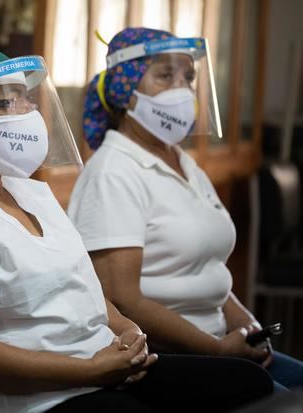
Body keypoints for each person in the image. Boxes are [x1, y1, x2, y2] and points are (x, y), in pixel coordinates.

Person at [0, 42, 273, 413]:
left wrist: (126, 330)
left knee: (249, 384)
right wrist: (91, 370)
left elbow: (82, 285)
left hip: (101, 369)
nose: (29, 112)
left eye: (27, 98)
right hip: (37, 399)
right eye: (9, 101)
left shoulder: (29, 193)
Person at [68, 27, 303, 391]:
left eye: (188, 77)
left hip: (220, 343)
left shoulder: (183, 162)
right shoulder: (113, 173)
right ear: (125, 92)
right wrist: (217, 350)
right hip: (164, 357)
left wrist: (247, 324)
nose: (182, 89)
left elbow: (204, 267)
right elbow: (122, 299)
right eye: (165, 75)